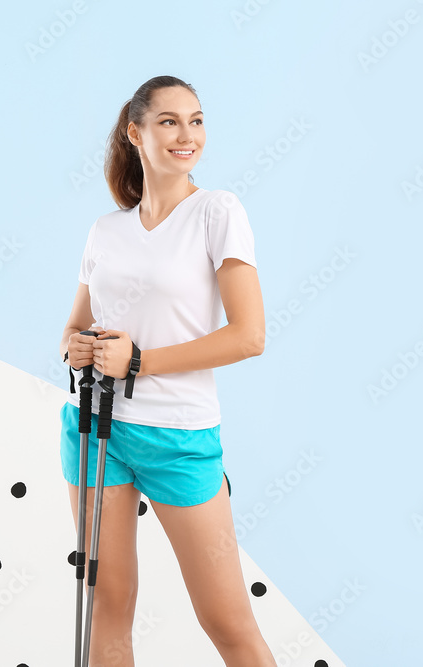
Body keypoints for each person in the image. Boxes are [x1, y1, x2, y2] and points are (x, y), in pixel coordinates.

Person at [58, 75, 274, 665]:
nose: (187, 135)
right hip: (93, 427)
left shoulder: (217, 212)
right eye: (170, 121)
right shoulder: (107, 230)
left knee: (228, 621)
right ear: (136, 132)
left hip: (178, 436)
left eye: (196, 120)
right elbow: (73, 328)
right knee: (107, 606)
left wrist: (142, 362)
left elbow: (248, 336)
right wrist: (76, 348)